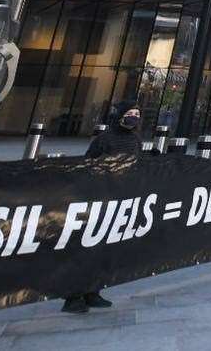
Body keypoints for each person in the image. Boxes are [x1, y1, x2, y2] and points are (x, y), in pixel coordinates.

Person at [63, 102, 143, 313]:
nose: (134, 117)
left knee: (105, 249)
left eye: (136, 114)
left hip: (120, 198)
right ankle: (73, 296)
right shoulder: (105, 139)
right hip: (99, 198)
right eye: (130, 113)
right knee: (88, 247)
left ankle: (93, 291)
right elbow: (88, 164)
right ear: (119, 116)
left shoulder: (135, 139)